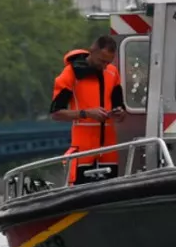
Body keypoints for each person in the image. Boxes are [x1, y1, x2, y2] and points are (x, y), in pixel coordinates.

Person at [49, 35, 126, 185]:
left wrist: (119, 113)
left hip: (109, 149)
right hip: (83, 150)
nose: (104, 66)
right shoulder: (70, 74)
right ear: (92, 51)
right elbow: (56, 113)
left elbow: (120, 107)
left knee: (110, 192)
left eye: (108, 62)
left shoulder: (112, 73)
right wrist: (87, 113)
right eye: (102, 61)